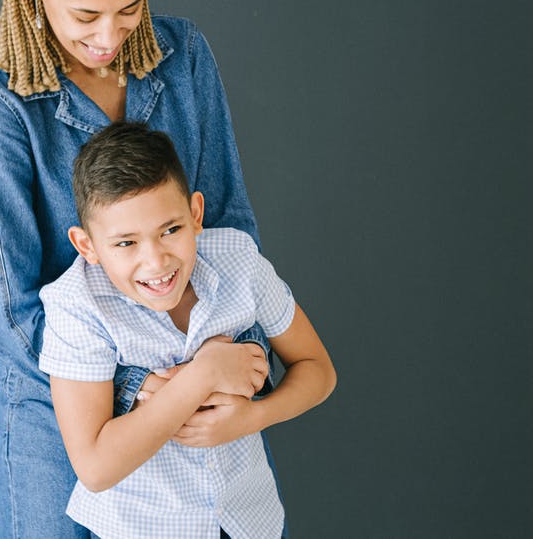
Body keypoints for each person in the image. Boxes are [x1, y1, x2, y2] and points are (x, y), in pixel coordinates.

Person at [0, 0, 278, 536]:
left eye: (129, 8)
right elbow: (15, 317)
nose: (108, 36)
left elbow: (229, 233)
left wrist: (236, 357)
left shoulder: (183, 59)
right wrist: (138, 384)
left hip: (201, 396)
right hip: (64, 423)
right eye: (85, 15)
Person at [39, 123, 337, 539]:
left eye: (170, 230)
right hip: (145, 529)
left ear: (195, 214)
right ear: (87, 246)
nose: (156, 262)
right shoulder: (76, 305)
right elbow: (95, 467)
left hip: (249, 522)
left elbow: (318, 369)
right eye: (126, 243)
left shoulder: (238, 261)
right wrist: (204, 374)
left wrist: (253, 417)